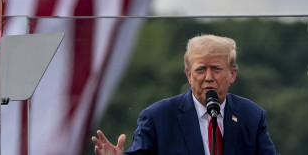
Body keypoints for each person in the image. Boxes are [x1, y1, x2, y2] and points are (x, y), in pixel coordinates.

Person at [92, 34, 277, 155]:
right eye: (200, 70)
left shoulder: (251, 116)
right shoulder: (158, 117)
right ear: (189, 75)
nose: (208, 77)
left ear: (232, 74)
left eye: (217, 69)